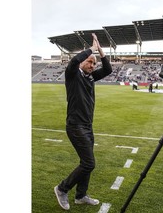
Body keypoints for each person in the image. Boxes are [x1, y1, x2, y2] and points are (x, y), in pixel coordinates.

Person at [54, 33, 112, 210]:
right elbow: (72, 62)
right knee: (89, 163)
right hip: (75, 126)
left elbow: (108, 69)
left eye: (94, 63)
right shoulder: (73, 74)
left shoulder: (91, 77)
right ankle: (62, 189)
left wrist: (100, 51)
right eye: (90, 62)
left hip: (87, 126)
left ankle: (81, 196)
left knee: (86, 163)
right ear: (82, 62)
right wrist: (91, 49)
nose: (92, 66)